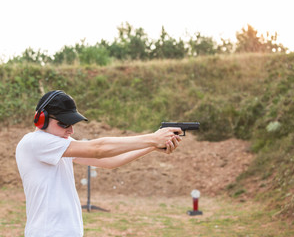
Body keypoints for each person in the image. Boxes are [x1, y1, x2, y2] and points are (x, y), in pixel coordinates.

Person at [15, 90, 182, 237]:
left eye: (72, 124)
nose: (71, 130)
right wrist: (152, 138)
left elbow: (109, 161)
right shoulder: (35, 142)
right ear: (41, 119)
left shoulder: (58, 143)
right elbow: (99, 149)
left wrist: (152, 146)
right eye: (64, 123)